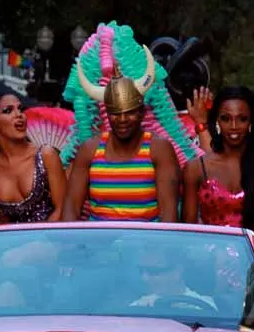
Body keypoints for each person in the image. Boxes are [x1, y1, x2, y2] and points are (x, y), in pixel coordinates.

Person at [63, 46, 180, 222]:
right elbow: (71, 207)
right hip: (99, 239)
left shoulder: (159, 149)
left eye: (130, 112)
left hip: (146, 239)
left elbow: (169, 214)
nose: (123, 119)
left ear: (142, 113)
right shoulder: (89, 149)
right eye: (116, 113)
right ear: (107, 114)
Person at [181, 86, 254, 257]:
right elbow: (188, 229)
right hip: (209, 262)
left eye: (242, 119)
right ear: (216, 121)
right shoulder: (195, 169)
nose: (234, 126)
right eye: (226, 118)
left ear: (251, 121)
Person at [0, 93, 66, 223]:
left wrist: (40, 236)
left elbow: (63, 208)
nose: (19, 114)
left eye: (20, 109)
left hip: (51, 234)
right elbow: (3, 220)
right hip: (13, 237)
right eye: (8, 110)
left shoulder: (46, 155)